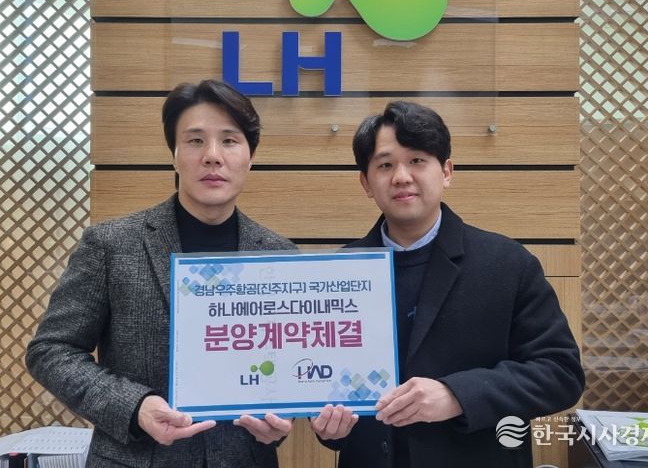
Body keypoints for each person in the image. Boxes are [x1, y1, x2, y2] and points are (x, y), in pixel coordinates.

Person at [26, 80, 295, 468]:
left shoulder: (279, 255)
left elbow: (286, 371)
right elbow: (51, 351)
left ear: (250, 157)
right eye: (195, 141)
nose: (212, 156)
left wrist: (280, 422)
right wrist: (134, 406)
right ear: (174, 155)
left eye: (229, 141)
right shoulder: (111, 244)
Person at [311, 101, 585, 467]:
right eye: (385, 165)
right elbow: (322, 385)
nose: (401, 177)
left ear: (446, 171)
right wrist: (329, 427)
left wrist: (457, 395)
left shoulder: (508, 264)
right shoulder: (337, 273)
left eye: (417, 160)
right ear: (366, 182)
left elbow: (560, 373)